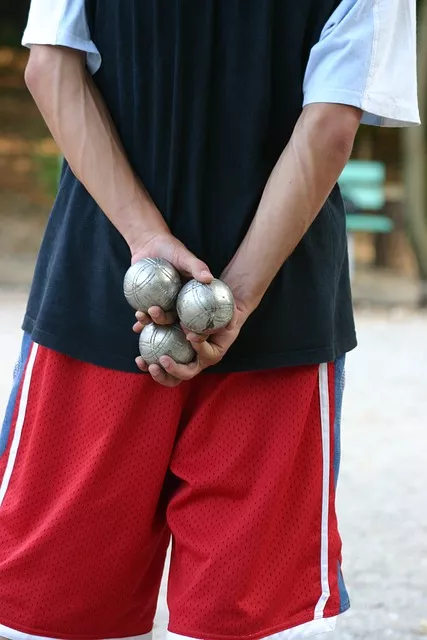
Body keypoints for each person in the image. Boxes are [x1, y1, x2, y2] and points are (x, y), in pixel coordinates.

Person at [0, 1, 419, 639]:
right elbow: (331, 123)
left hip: (101, 290)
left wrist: (144, 239)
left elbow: (51, 68)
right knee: (248, 619)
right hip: (279, 312)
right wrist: (238, 297)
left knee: (55, 611)